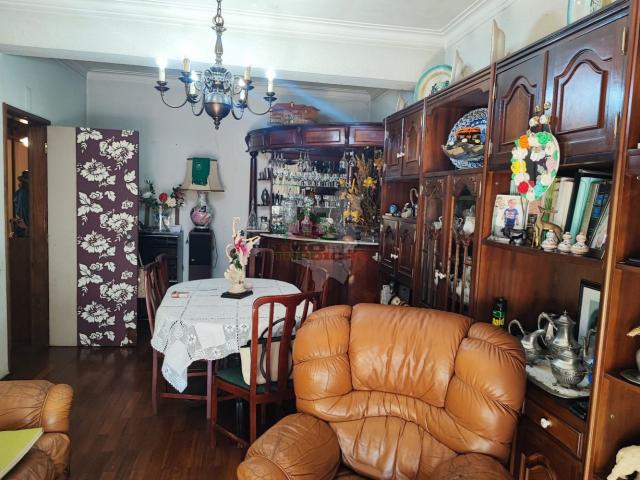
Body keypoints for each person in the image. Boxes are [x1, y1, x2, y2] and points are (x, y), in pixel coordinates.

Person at [12, 170, 29, 237]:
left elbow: (19, 209)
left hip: (25, 224)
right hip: (24, 223)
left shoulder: (22, 192)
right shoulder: (22, 192)